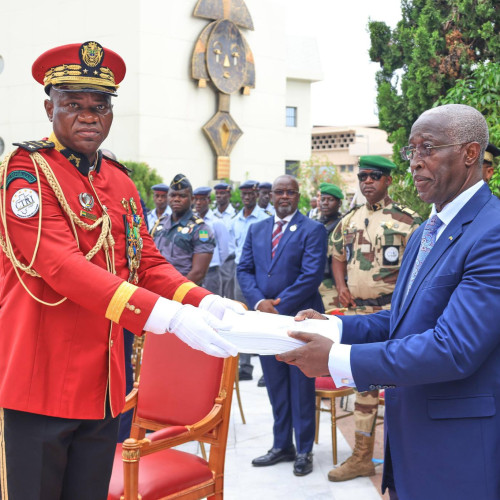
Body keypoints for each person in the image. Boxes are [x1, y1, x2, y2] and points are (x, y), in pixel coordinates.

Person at [0, 41, 242, 500]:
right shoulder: (27, 174)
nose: (89, 116)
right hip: (40, 383)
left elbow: (146, 262)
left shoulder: (119, 180)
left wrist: (203, 300)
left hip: (103, 387)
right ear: (48, 106)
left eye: (100, 106)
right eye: (73, 105)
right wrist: (168, 317)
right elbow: (61, 266)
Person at [278, 104, 500, 500]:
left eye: (427, 149)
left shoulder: (492, 232)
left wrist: (336, 359)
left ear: (469, 154)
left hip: (458, 450)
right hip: (410, 437)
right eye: (410, 152)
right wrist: (332, 325)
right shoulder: (425, 231)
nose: (414, 163)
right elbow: (401, 321)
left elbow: (453, 349)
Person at [326, 155, 421, 482]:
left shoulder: (408, 221)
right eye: (363, 176)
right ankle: (362, 457)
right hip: (358, 315)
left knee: (400, 385)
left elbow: (420, 270)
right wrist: (340, 287)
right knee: (363, 384)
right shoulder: (349, 220)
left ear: (388, 181)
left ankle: (406, 458)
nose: (368, 181)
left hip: (393, 315)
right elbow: (336, 255)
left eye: (375, 176)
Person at [237, 174, 327, 476]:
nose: (284, 196)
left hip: (300, 320)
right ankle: (281, 445)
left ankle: (304, 450)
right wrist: (259, 302)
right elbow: (244, 269)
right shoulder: (257, 229)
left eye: (290, 192)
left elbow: (311, 275)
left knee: (301, 385)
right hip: (265, 322)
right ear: (271, 195)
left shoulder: (313, 230)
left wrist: (278, 304)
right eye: (279, 192)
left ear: (298, 196)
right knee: (275, 384)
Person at [231, 180, 269, 380]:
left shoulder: (265, 219)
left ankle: (266, 369)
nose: (247, 197)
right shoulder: (236, 220)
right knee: (241, 318)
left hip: (261, 273)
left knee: (262, 320)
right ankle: (244, 366)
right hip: (241, 273)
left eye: (250, 194)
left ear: (256, 195)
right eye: (243, 194)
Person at [152, 175, 215, 285]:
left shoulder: (201, 229)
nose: (176, 199)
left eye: (182, 196)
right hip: (156, 289)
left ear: (192, 199)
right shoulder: (159, 224)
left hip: (183, 293)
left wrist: (173, 291)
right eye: (172, 195)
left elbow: (198, 273)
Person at [193, 186, 231, 295]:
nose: (198, 203)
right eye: (196, 199)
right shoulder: (192, 221)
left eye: (202, 199)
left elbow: (224, 250)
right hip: (195, 270)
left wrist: (215, 264)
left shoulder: (216, 222)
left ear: (208, 200)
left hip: (211, 272)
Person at [317, 182, 344, 311]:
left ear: (339, 204)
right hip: (314, 283)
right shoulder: (314, 225)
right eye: (323, 199)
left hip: (333, 286)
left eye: (330, 200)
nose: (325, 203)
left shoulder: (344, 225)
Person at [213, 182, 237, 299]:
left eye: (222, 193)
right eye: (217, 193)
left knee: (229, 295)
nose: (218, 196)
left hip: (230, 261)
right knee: (215, 295)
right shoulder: (211, 215)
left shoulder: (235, 216)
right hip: (213, 263)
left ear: (229, 195)